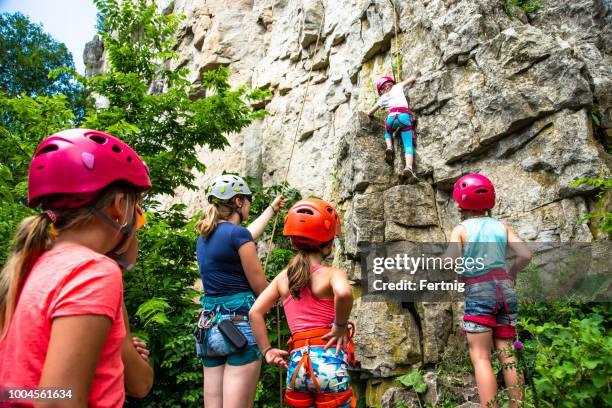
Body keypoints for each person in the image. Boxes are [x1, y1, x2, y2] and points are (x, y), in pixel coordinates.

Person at [0, 128, 152, 407]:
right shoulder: (92, 272)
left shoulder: (33, 266)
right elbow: (58, 401)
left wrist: (116, 349)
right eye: (137, 214)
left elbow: (14, 391)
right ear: (119, 207)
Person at [248, 198, 356, 408]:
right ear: (329, 244)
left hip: (297, 367)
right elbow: (343, 294)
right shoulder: (333, 274)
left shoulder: (282, 278)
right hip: (328, 362)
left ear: (292, 242)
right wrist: (339, 327)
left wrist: (267, 351)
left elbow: (254, 313)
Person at [195, 174, 284, 408]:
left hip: (208, 325)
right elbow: (259, 287)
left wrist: (271, 209)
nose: (249, 207)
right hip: (238, 325)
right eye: (247, 202)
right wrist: (280, 298)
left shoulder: (204, 236)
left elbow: (245, 234)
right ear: (238, 203)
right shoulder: (237, 236)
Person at [445, 174, 532, 408]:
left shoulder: (461, 229)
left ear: (461, 202)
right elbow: (525, 255)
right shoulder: (502, 226)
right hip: (506, 290)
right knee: (508, 355)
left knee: (481, 357)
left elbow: (449, 260)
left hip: (479, 292)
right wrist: (512, 272)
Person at [367, 75, 418, 178]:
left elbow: (370, 112)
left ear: (381, 90)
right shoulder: (398, 87)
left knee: (388, 132)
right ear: (391, 83)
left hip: (391, 119)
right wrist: (413, 78)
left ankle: (389, 146)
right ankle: (408, 167)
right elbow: (412, 78)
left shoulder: (382, 98)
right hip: (404, 117)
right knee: (408, 145)